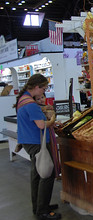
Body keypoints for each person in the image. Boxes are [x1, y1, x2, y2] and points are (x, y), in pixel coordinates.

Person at [15, 74, 61, 220]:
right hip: (37, 142)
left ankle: (39, 206)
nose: (44, 91)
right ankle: (43, 211)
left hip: (28, 141)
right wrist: (52, 122)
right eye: (44, 88)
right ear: (37, 87)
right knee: (46, 173)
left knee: (37, 174)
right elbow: (41, 125)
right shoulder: (31, 104)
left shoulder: (23, 99)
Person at [34, 93, 62, 178]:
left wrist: (55, 123)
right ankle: (51, 173)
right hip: (44, 134)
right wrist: (52, 122)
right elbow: (44, 122)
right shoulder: (38, 109)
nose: (41, 100)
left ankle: (56, 172)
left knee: (54, 152)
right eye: (38, 99)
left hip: (50, 132)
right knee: (49, 155)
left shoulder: (47, 107)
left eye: (42, 97)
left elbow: (50, 121)